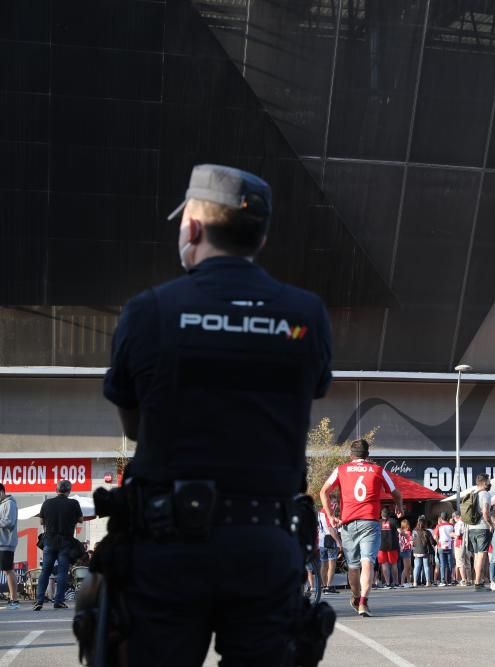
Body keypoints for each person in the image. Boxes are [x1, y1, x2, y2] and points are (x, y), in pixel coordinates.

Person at [101, 164, 334, 663]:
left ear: (193, 228)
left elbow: (134, 424)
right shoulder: (306, 315)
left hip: (167, 550)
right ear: (261, 237)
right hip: (265, 546)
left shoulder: (150, 311)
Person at [322, 439, 403, 617]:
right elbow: (395, 491)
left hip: (348, 523)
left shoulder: (341, 469)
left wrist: (330, 515)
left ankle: (356, 596)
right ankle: (363, 603)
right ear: (368, 455)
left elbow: (324, 491)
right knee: (368, 562)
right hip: (370, 522)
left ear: (351, 455)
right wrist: (399, 505)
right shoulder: (377, 470)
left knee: (353, 566)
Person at [34, 480, 82, 611]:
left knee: (45, 571)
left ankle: (39, 600)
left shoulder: (47, 503)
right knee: (62, 572)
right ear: (69, 491)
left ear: (57, 490)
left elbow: (41, 521)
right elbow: (81, 520)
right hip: (66, 541)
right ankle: (59, 601)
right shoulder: (74, 503)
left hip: (49, 541)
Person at [468, 474, 494, 591]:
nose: (489, 483)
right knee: (482, 555)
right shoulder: (485, 494)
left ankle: (477, 580)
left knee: (477, 556)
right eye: (488, 481)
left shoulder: (473, 493)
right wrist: (491, 524)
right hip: (482, 528)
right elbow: (485, 513)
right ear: (484, 483)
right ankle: (478, 583)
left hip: (471, 528)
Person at [0, 484, 19, 609]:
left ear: (1, 491)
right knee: (7, 570)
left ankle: (14, 600)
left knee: (8, 570)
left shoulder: (10, 503)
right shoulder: (2, 504)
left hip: (6, 543)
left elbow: (9, 522)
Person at [317, 508, 341, 594]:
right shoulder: (328, 512)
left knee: (323, 565)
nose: (335, 505)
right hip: (330, 540)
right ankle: (329, 586)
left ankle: (324, 586)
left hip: (321, 541)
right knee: (332, 565)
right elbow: (330, 529)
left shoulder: (319, 513)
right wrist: (339, 543)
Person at [377, 507, 401, 588]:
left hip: (381, 546)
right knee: (394, 564)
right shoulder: (393, 521)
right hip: (392, 546)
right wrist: (406, 535)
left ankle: (387, 583)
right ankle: (396, 582)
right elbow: (400, 531)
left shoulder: (378, 522)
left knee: (384, 565)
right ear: (389, 514)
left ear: (381, 514)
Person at [411, 516, 435, 587]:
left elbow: (413, 541)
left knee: (417, 566)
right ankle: (428, 582)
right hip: (425, 551)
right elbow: (432, 542)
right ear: (425, 524)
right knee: (426, 567)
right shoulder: (427, 532)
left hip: (416, 551)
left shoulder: (414, 531)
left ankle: (415, 582)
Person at [433, 513, 455, 586]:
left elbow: (435, 536)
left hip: (441, 546)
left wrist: (438, 541)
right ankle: (449, 580)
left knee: (442, 564)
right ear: (447, 518)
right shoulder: (451, 525)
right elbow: (453, 535)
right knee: (449, 564)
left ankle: (443, 581)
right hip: (449, 545)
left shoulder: (438, 526)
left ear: (441, 518)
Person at [398, 518, 413, 589]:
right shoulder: (408, 532)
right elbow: (410, 541)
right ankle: (402, 582)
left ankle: (408, 582)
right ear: (406, 525)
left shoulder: (400, 533)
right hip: (407, 550)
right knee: (407, 567)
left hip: (402, 550)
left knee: (407, 567)